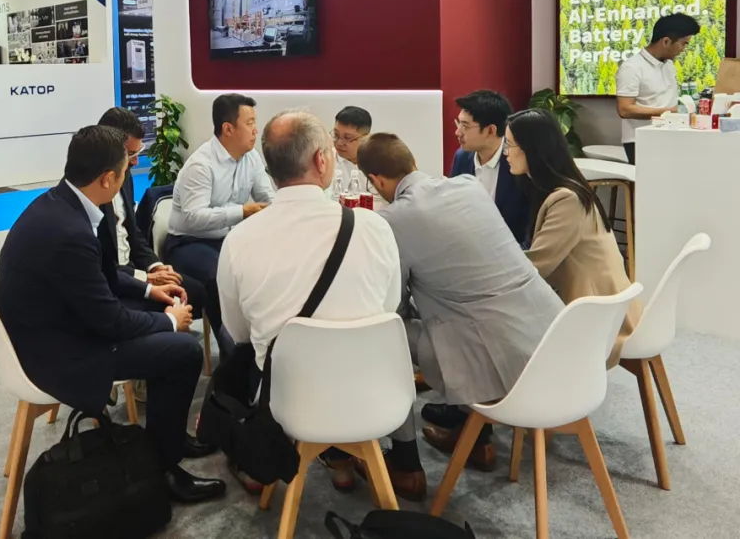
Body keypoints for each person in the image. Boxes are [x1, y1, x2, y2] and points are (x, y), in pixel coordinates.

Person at [0, 126, 226, 504]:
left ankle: (166, 438)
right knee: (183, 351)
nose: (130, 171)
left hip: (61, 322)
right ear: (107, 178)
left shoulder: (66, 203)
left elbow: (102, 276)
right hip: (59, 352)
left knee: (163, 315)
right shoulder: (70, 231)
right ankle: (164, 468)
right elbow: (111, 322)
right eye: (126, 167)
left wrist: (150, 290)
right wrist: (171, 320)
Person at [217, 111, 409, 496]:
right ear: (322, 160)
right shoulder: (374, 227)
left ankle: (261, 461)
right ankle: (343, 458)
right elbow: (389, 309)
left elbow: (239, 332)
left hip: (291, 403)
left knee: (250, 352)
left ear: (270, 169)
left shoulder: (239, 240)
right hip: (376, 396)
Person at [358, 133, 564, 477]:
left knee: (385, 331)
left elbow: (394, 303)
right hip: (555, 342)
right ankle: (475, 437)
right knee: (462, 312)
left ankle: (405, 463)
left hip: (501, 362)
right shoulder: (469, 185)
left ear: (376, 181)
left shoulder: (392, 219)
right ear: (413, 162)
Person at [505, 109, 641, 365]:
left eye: (509, 145)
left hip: (597, 316)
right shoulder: (560, 190)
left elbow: (537, 266)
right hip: (595, 306)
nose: (506, 153)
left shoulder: (567, 199)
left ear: (531, 149)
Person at [164, 94, 276, 360]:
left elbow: (267, 197)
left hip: (228, 239)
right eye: (249, 123)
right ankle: (233, 356)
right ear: (228, 128)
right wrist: (242, 211)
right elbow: (193, 217)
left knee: (265, 267)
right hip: (189, 242)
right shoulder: (201, 165)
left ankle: (264, 345)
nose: (256, 130)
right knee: (221, 277)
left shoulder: (251, 158)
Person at [96, 106, 208, 320]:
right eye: (131, 154)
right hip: (113, 282)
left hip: (134, 270)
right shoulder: (93, 191)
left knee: (196, 291)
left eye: (137, 153)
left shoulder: (125, 176)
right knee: (173, 308)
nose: (136, 162)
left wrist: (156, 266)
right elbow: (101, 265)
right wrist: (145, 278)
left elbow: (133, 234)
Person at [615, 12, 701, 164]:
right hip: (642, 140)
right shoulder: (632, 67)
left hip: (670, 135)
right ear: (666, 41)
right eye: (683, 43)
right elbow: (625, 109)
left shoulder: (668, 65)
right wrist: (670, 112)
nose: (684, 49)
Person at [449, 90, 528, 241]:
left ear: (490, 130)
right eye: (458, 123)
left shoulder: (517, 160)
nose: (457, 132)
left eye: (465, 126)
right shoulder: (462, 158)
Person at [331, 105, 378, 197]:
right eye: (336, 135)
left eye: (347, 138)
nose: (339, 143)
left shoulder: (379, 164)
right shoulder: (325, 161)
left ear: (366, 138)